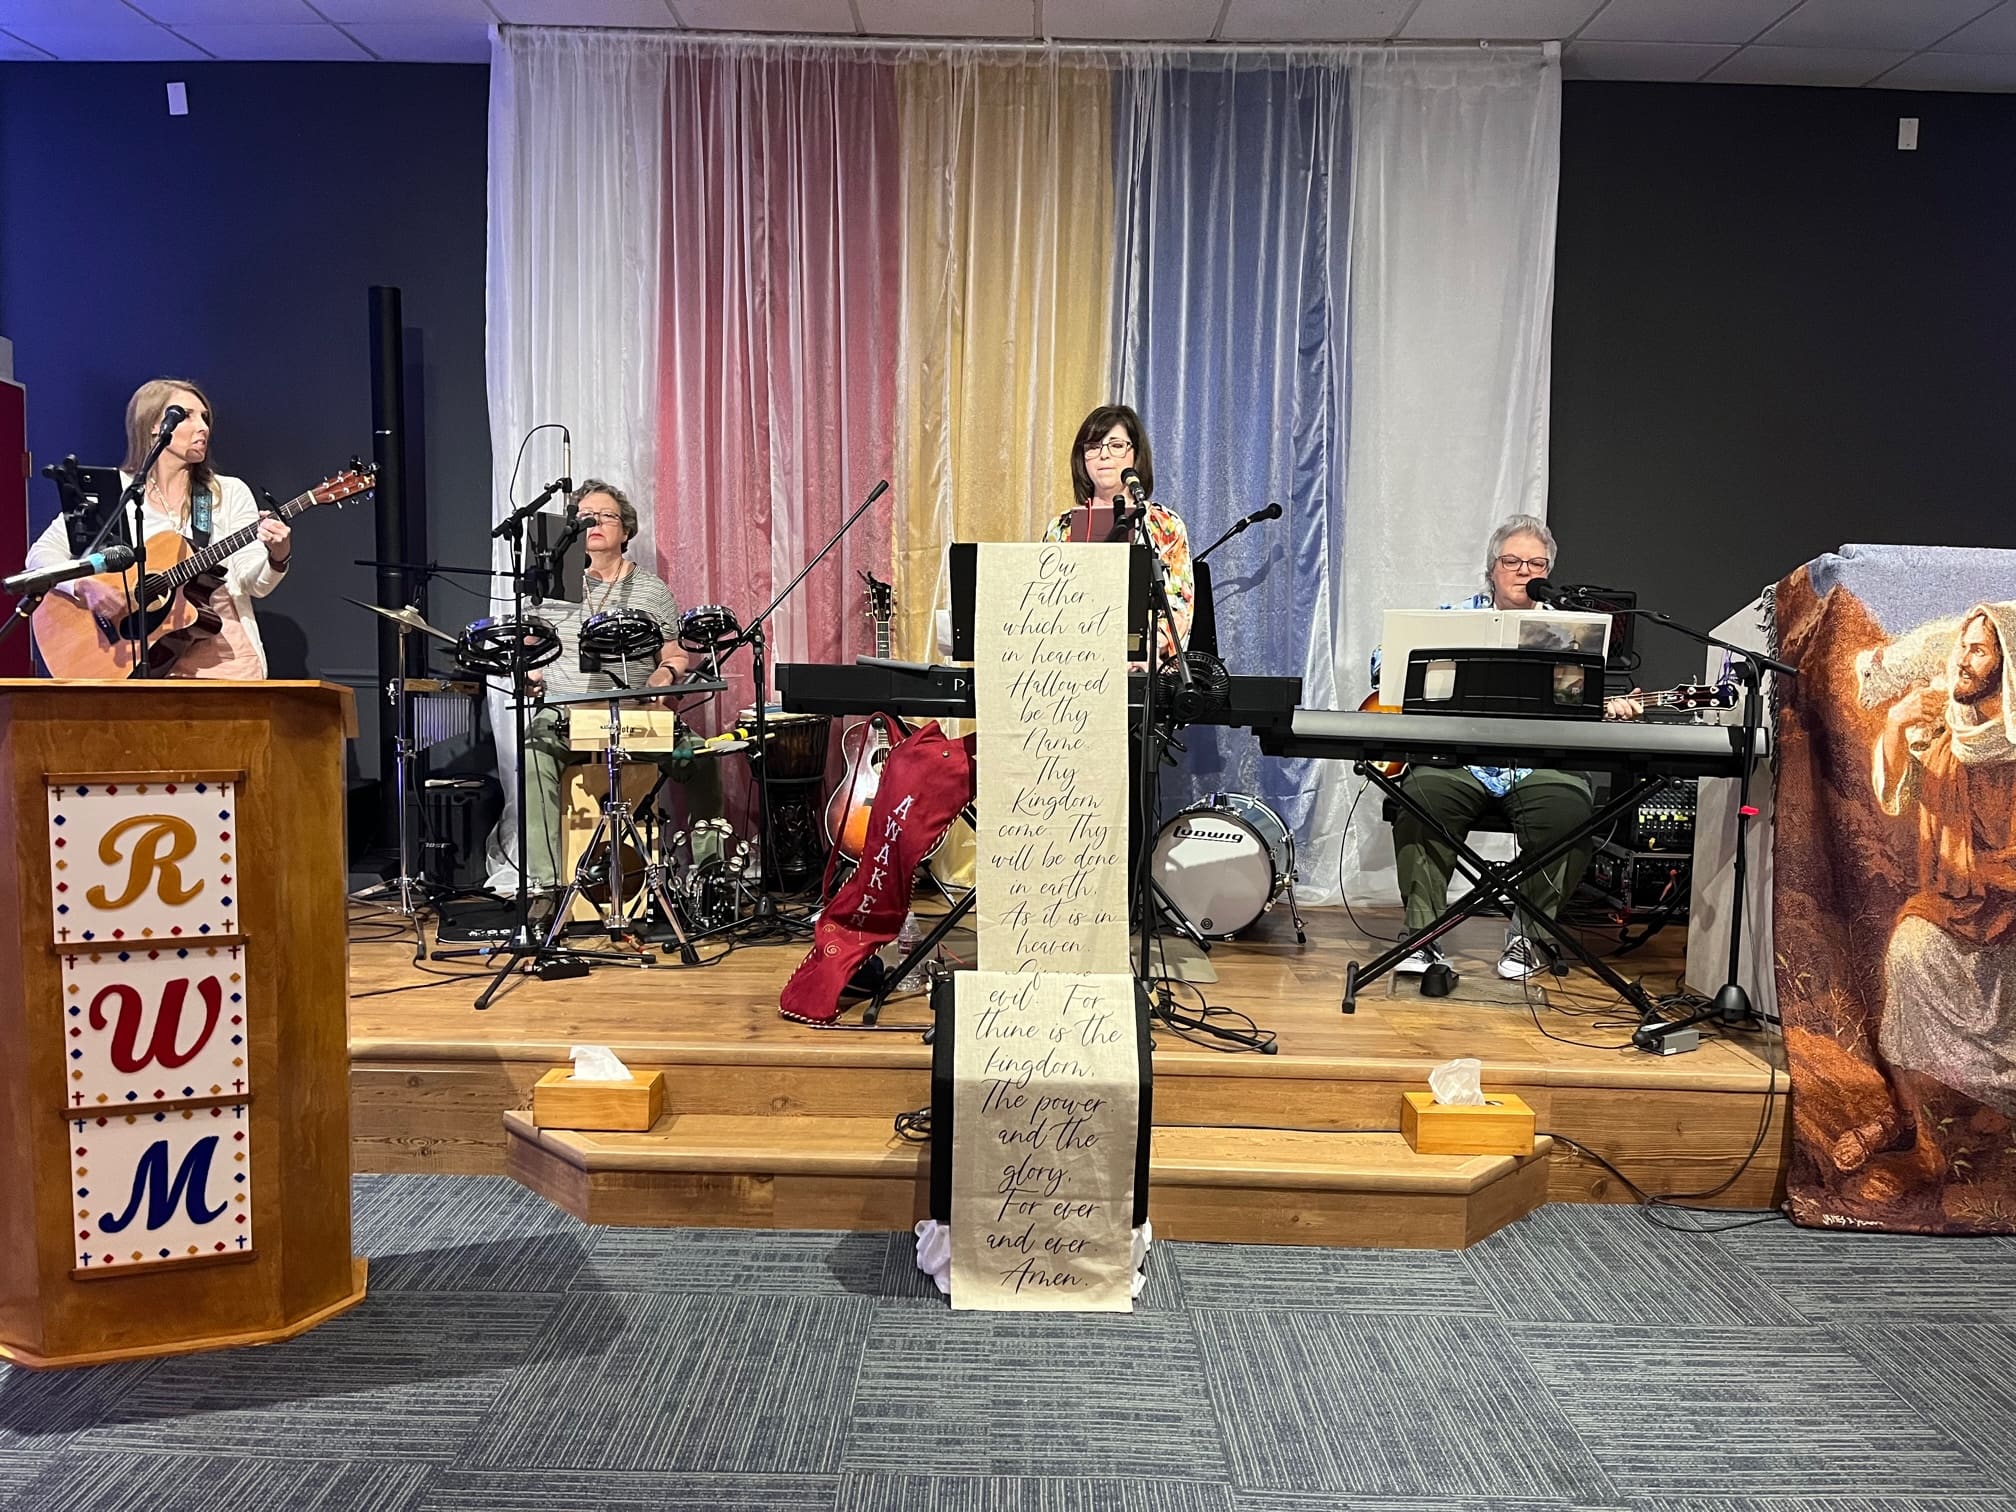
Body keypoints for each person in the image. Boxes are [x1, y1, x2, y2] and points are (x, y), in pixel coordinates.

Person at [1381, 514, 1643, 981]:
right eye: (1512, 561)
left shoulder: (1570, 631)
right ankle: (1422, 936)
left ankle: (1528, 935)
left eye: (1536, 563)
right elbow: (1386, 662)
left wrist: (1611, 706)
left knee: (1571, 810)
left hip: (1540, 765)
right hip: (1460, 763)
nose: (1524, 571)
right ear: (1492, 569)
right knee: (1421, 797)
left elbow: (1580, 700)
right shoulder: (1453, 617)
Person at [516, 480, 721, 891]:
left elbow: (676, 655)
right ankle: (546, 886)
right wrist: (528, 676)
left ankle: (710, 875)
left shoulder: (651, 589)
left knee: (701, 758)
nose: (594, 522)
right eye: (584, 517)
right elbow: (526, 655)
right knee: (534, 753)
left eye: (606, 515)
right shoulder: (549, 592)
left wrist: (664, 677)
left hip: (635, 713)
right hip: (566, 712)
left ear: (626, 530)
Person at [28, 378, 291, 678]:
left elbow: (251, 582)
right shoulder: (115, 492)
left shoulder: (227, 493)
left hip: (222, 657)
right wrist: (82, 585)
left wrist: (277, 555)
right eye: (187, 416)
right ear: (154, 424)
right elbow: (40, 556)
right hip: (133, 656)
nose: (203, 427)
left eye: (205, 418)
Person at [1872, 603, 2016, 1114]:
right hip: (1958, 903)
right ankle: (1919, 1115)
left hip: (2010, 903)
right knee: (1911, 945)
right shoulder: (1947, 729)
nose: (1961, 660)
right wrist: (1894, 723)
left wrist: (1986, 873)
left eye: (1977, 651)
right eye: (1962, 646)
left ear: (2007, 664)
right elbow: (1897, 796)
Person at [1044, 404, 1194, 661]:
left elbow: (1178, 607)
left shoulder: (1164, 525)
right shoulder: (1062, 527)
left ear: (1135, 455)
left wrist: (1139, 650)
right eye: (1093, 447)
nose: (1103, 455)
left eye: (1115, 445)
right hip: (1073, 665)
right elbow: (1046, 603)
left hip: (1141, 666)